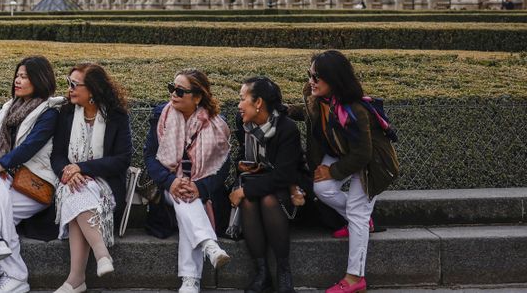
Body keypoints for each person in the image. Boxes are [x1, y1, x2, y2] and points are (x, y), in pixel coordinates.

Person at [305, 50, 399, 293]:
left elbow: (362, 155)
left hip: (372, 164)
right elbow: (312, 115)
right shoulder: (321, 99)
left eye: (316, 77)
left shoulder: (354, 110)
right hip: (343, 152)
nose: (311, 81)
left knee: (357, 211)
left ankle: (355, 278)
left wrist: (333, 171)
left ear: (334, 79)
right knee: (322, 188)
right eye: (309, 75)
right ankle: (362, 221)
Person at [0, 56, 64, 293]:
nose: (18, 80)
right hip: (8, 177)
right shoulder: (9, 108)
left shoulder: (50, 111)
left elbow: (29, 147)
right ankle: (0, 253)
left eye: (25, 76)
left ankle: (10, 269)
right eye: (17, 75)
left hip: (35, 182)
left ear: (39, 80)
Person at [143, 70, 233, 293]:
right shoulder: (162, 116)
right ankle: (208, 245)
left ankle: (190, 280)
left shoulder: (216, 124)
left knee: (188, 200)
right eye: (171, 88)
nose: (173, 94)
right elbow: (150, 157)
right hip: (168, 186)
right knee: (183, 196)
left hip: (202, 191)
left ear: (198, 97)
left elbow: (222, 166)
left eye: (180, 91)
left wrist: (199, 187)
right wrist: (171, 182)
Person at [50, 63, 133, 293]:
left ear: (93, 89)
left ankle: (76, 279)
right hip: (70, 181)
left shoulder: (116, 116)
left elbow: (122, 159)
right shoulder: (66, 113)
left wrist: (81, 168)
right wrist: (68, 172)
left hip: (106, 185)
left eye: (74, 84)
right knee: (75, 189)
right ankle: (100, 253)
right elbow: (57, 155)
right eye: (68, 83)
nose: (69, 88)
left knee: (78, 192)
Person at [227, 77, 306, 293]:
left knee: (268, 200)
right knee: (249, 201)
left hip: (287, 188)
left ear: (258, 102)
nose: (239, 105)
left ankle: (283, 271)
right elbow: (242, 154)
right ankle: (262, 273)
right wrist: (242, 165)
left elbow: (284, 175)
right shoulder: (243, 122)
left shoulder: (286, 128)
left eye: (242, 99)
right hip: (257, 180)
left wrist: (244, 191)